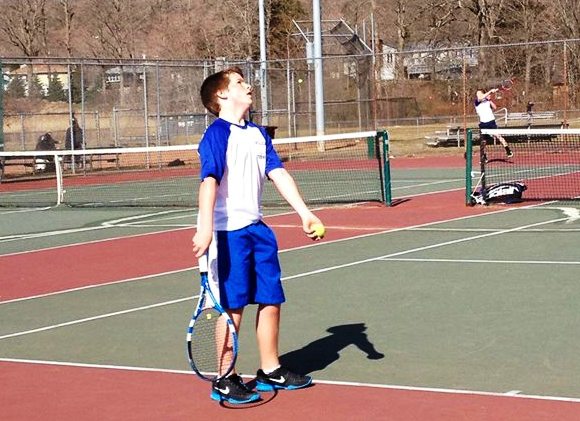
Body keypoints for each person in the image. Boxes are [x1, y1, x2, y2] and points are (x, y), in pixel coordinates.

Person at [192, 67, 324, 405]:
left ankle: (270, 369)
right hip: (227, 233)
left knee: (271, 299)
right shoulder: (216, 135)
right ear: (222, 95)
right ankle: (224, 377)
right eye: (238, 83)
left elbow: (277, 173)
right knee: (232, 308)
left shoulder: (256, 134)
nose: (247, 85)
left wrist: (305, 213)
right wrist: (205, 228)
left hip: (258, 230)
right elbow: (208, 182)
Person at [475, 88, 513, 158]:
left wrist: (490, 100)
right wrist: (490, 91)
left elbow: (495, 107)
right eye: (477, 94)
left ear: (483, 93)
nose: (478, 95)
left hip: (491, 122)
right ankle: (484, 155)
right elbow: (481, 98)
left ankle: (508, 150)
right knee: (483, 141)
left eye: (479, 93)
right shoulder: (477, 101)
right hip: (483, 124)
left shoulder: (487, 101)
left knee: (498, 136)